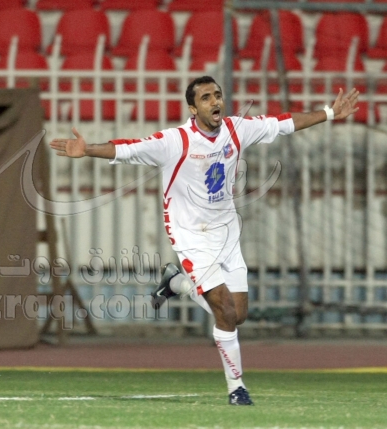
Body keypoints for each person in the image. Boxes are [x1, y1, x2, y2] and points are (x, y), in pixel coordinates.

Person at [49, 75, 359, 405]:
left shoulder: (236, 130)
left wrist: (329, 113)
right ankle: (236, 388)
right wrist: (87, 150)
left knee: (238, 314)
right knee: (224, 311)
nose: (215, 102)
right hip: (191, 235)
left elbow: (284, 123)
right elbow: (128, 148)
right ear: (193, 108)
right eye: (206, 97)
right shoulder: (175, 141)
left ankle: (177, 283)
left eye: (217, 95)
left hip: (227, 233)